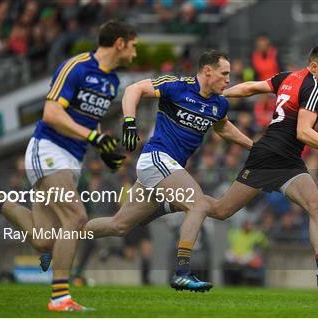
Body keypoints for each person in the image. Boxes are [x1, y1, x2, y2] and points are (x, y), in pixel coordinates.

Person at [0, 20, 137, 311]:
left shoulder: (111, 81)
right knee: (75, 219)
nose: (136, 54)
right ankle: (60, 297)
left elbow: (90, 118)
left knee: (43, 239)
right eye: (134, 46)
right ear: (120, 43)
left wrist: (102, 147)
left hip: (71, 159)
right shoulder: (76, 66)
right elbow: (51, 113)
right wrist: (94, 137)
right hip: (48, 148)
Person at [180, 44, 318, 291]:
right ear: (313, 66)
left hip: (288, 161)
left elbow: (250, 88)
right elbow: (303, 132)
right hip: (268, 157)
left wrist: (222, 95)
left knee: (317, 204)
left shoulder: (288, 77)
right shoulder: (314, 87)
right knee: (221, 210)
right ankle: (186, 203)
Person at [83, 50, 254, 291]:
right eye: (224, 74)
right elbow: (134, 89)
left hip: (164, 171)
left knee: (119, 225)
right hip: (156, 159)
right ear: (207, 71)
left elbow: (224, 129)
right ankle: (182, 271)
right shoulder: (176, 86)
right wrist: (129, 121)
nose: (228, 79)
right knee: (199, 204)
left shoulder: (219, 103)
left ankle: (61, 239)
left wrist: (254, 147)